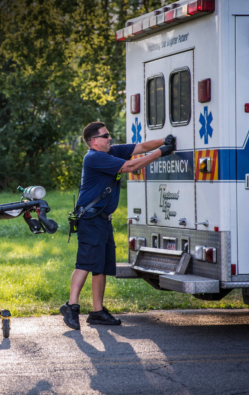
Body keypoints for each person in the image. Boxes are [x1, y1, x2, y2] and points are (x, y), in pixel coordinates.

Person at [60, 122, 176, 329]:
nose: (110, 138)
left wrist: (163, 141)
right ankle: (71, 306)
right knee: (85, 263)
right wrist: (160, 152)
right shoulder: (94, 157)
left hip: (102, 219)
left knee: (101, 266)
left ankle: (97, 312)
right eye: (105, 136)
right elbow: (131, 167)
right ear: (94, 141)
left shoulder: (111, 151)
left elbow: (139, 148)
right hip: (90, 219)